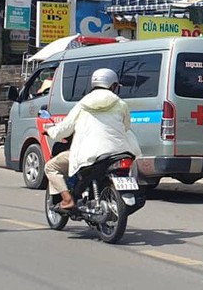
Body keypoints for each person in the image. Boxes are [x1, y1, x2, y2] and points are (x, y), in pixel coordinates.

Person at [44, 68, 141, 210]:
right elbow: (126, 126)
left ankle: (67, 199)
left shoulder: (82, 105)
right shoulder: (121, 104)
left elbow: (64, 129)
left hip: (89, 154)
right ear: (113, 86)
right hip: (119, 152)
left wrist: (50, 130)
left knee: (50, 167)